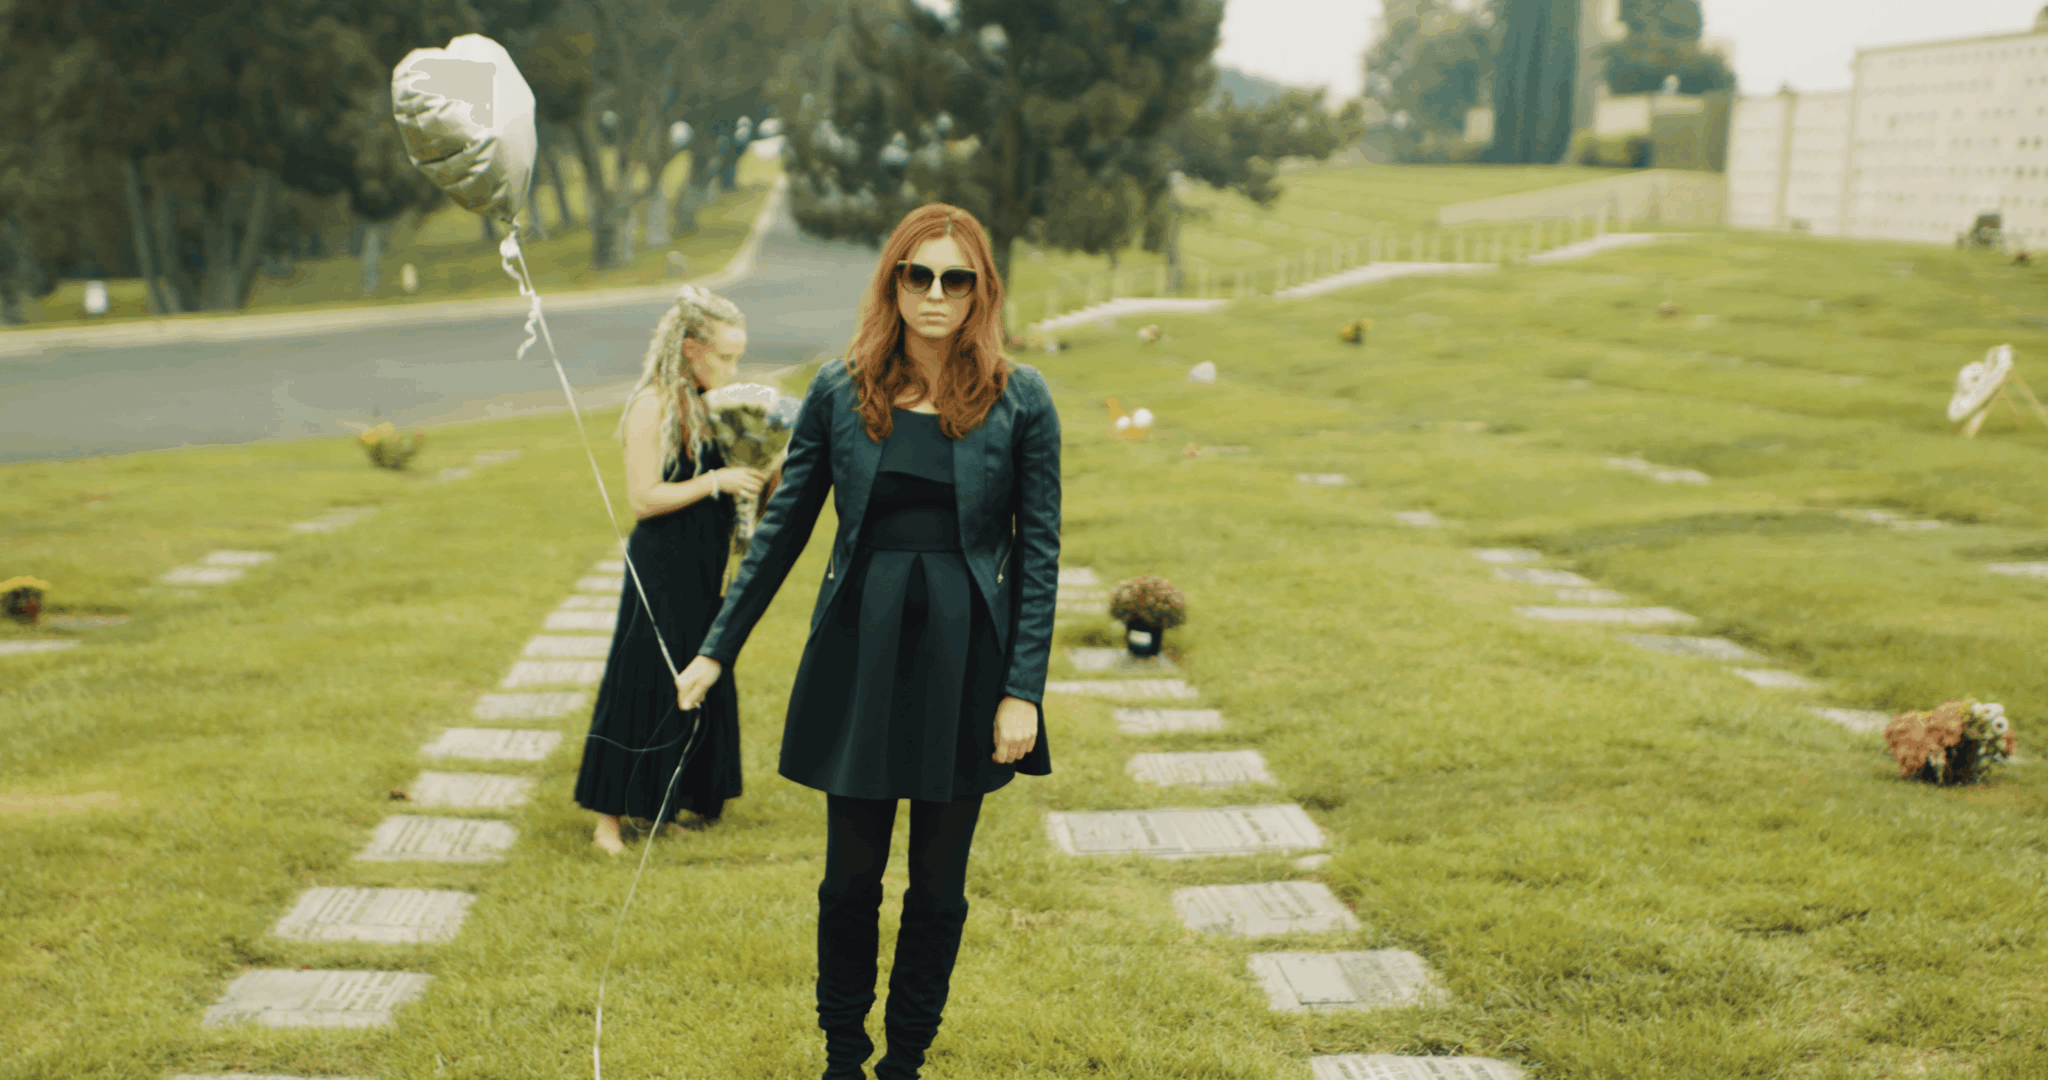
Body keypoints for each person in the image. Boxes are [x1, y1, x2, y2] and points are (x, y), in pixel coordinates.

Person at [672, 203, 1061, 1079]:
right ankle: (844, 1058)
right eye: (918, 275)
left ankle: (904, 1063)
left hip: (968, 659)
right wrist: (715, 650)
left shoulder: (1022, 397)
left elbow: (1039, 553)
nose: (935, 293)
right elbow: (783, 532)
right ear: (893, 283)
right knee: (849, 881)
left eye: (955, 278)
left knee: (938, 888)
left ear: (980, 291)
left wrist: (1022, 690)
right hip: (860, 651)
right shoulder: (839, 390)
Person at [574, 285, 774, 856]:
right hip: (662, 563)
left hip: (706, 562)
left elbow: (748, 485)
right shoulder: (653, 404)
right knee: (642, 677)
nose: (733, 369)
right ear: (691, 350)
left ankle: (666, 805)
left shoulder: (718, 407)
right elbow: (643, 498)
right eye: (725, 357)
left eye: (738, 357)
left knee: (697, 674)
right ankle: (607, 822)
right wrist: (717, 481)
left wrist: (765, 463)